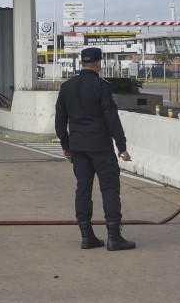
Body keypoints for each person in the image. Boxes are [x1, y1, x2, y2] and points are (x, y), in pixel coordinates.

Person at [55, 47, 135, 251]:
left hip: (78, 147)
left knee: (83, 188)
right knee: (109, 189)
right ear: (99, 63)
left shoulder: (67, 87)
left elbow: (59, 120)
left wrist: (66, 145)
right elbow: (111, 118)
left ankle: (87, 237)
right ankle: (114, 238)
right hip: (100, 147)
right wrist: (122, 146)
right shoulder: (102, 86)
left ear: (82, 63)